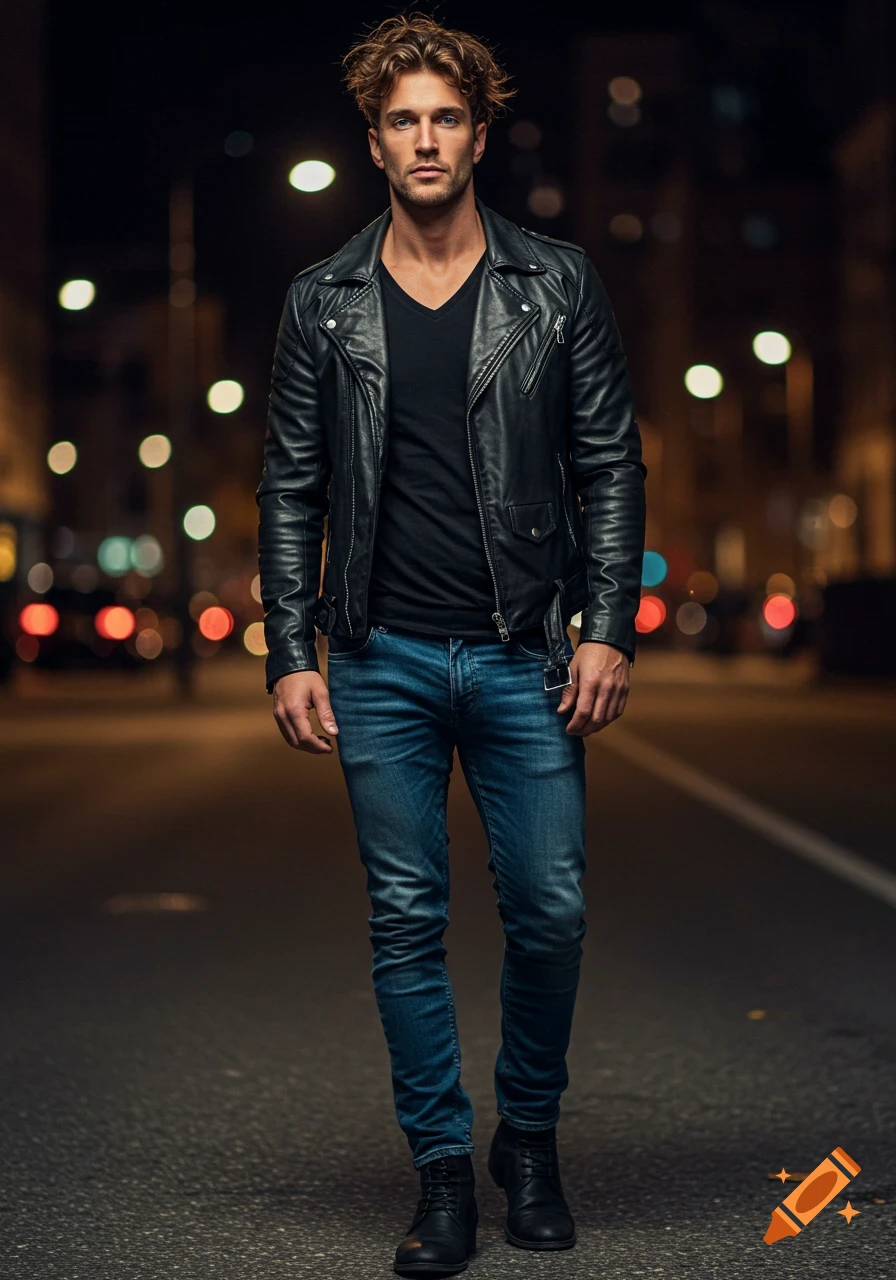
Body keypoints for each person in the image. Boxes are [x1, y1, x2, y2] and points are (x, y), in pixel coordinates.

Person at [256, 13, 647, 1275]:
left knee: (548, 908)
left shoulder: (556, 281)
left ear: (477, 134)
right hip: (377, 658)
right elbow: (289, 485)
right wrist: (290, 646)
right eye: (401, 120)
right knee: (404, 916)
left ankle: (523, 1138)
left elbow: (606, 463)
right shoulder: (322, 302)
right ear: (375, 143)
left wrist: (605, 623)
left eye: (445, 117)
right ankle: (441, 1172)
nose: (425, 138)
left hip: (526, 654)